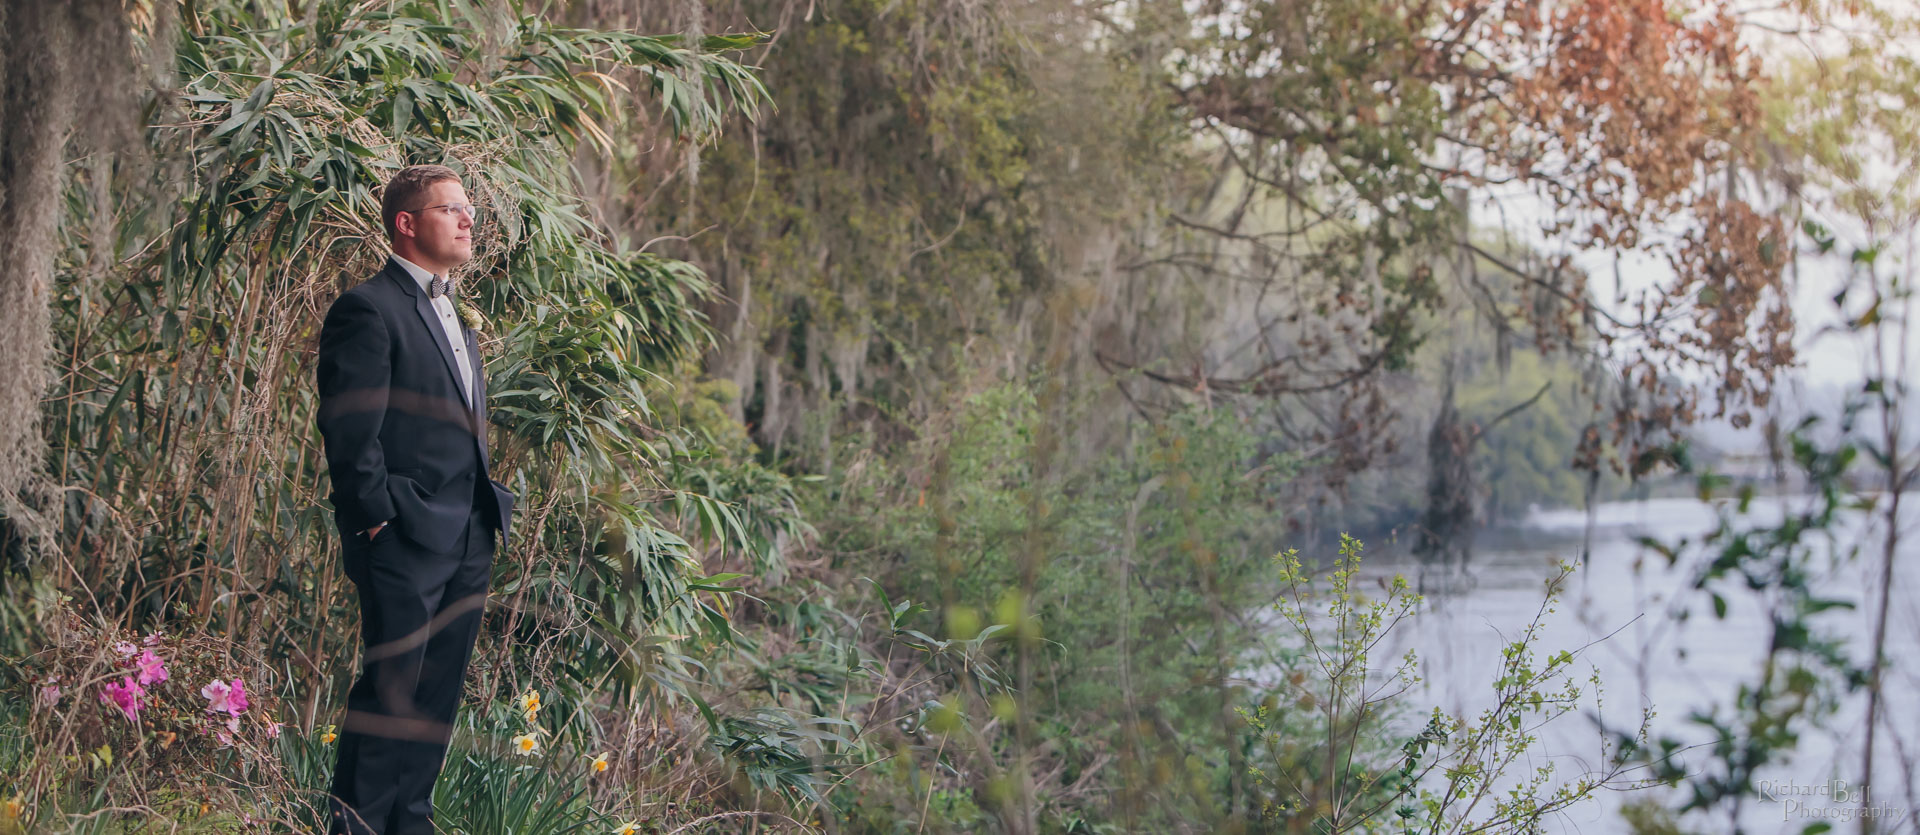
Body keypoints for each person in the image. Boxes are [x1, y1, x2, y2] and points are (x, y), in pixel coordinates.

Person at [315, 164, 515, 834]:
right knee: (390, 696)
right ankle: (356, 826)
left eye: (469, 209)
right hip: (403, 538)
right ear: (407, 223)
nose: (468, 219)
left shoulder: (455, 312)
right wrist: (375, 523)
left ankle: (410, 824)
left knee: (434, 702)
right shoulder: (367, 308)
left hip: (466, 538)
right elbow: (350, 432)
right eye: (451, 208)